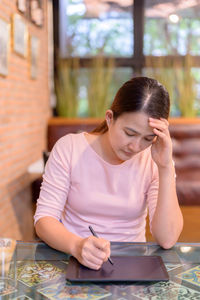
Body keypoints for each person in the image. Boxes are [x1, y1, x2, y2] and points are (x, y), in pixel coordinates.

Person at [34, 77, 183, 270]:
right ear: (109, 118)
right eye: (129, 133)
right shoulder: (69, 148)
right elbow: (44, 220)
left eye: (148, 138)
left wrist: (165, 167)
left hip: (131, 266)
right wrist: (77, 246)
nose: (135, 146)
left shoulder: (154, 160)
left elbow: (167, 239)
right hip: (74, 260)